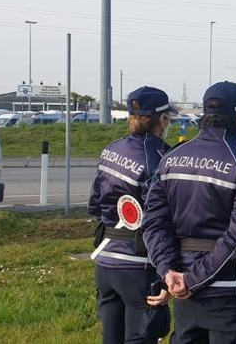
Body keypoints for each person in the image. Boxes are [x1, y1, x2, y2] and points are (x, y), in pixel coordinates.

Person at [144, 81, 236, 343]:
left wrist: (169, 272)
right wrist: (193, 279)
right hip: (229, 294)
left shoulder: (172, 158)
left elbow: (154, 223)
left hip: (183, 292)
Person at [88, 86, 175, 343]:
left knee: (110, 338)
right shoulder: (163, 158)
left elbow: (95, 204)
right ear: (163, 119)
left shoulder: (110, 150)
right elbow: (165, 221)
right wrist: (167, 273)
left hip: (105, 262)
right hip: (140, 265)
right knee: (141, 338)